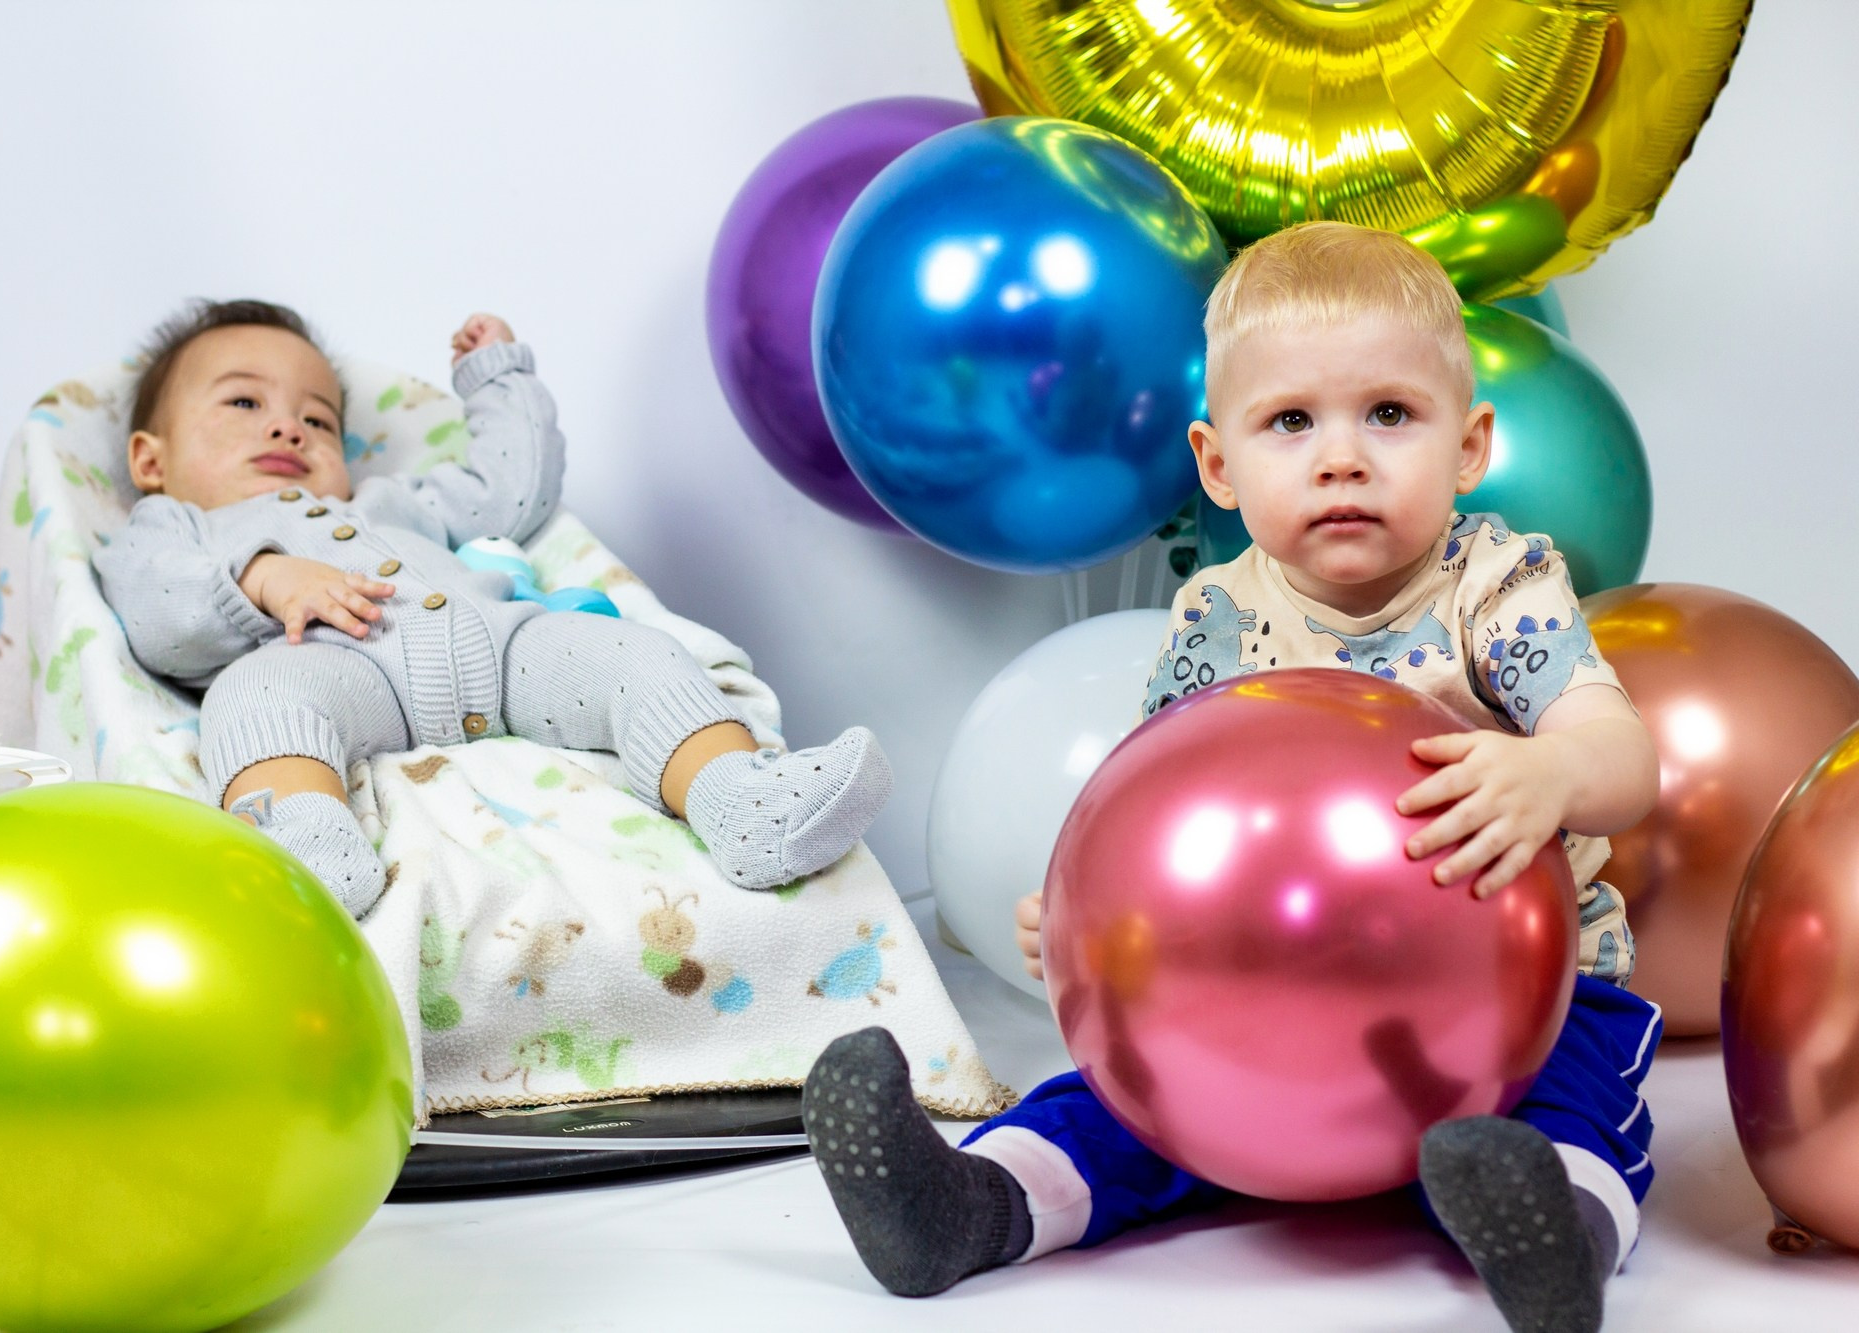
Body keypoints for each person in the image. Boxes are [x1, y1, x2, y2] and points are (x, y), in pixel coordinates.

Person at [802, 223, 1661, 1333]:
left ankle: (1553, 1241)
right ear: (1217, 462)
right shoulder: (1217, 617)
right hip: (1265, 1007)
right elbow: (1147, 816)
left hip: (1518, 1002)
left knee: (1578, 1100)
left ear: (1467, 446)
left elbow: (1621, 755)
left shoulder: (1495, 592)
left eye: (1389, 415)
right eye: (1289, 422)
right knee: (1123, 1101)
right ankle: (969, 1203)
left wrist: (1549, 772)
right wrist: (1082, 919)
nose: (1340, 456)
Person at [94, 299, 890, 916]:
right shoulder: (175, 525)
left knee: (634, 656)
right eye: (242, 404)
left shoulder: (392, 502)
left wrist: (498, 378)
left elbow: (511, 492)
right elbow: (157, 610)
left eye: (318, 419)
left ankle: (738, 797)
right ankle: (302, 846)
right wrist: (266, 576)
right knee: (253, 699)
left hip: (498, 649)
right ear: (150, 460)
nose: (285, 425)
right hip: (327, 666)